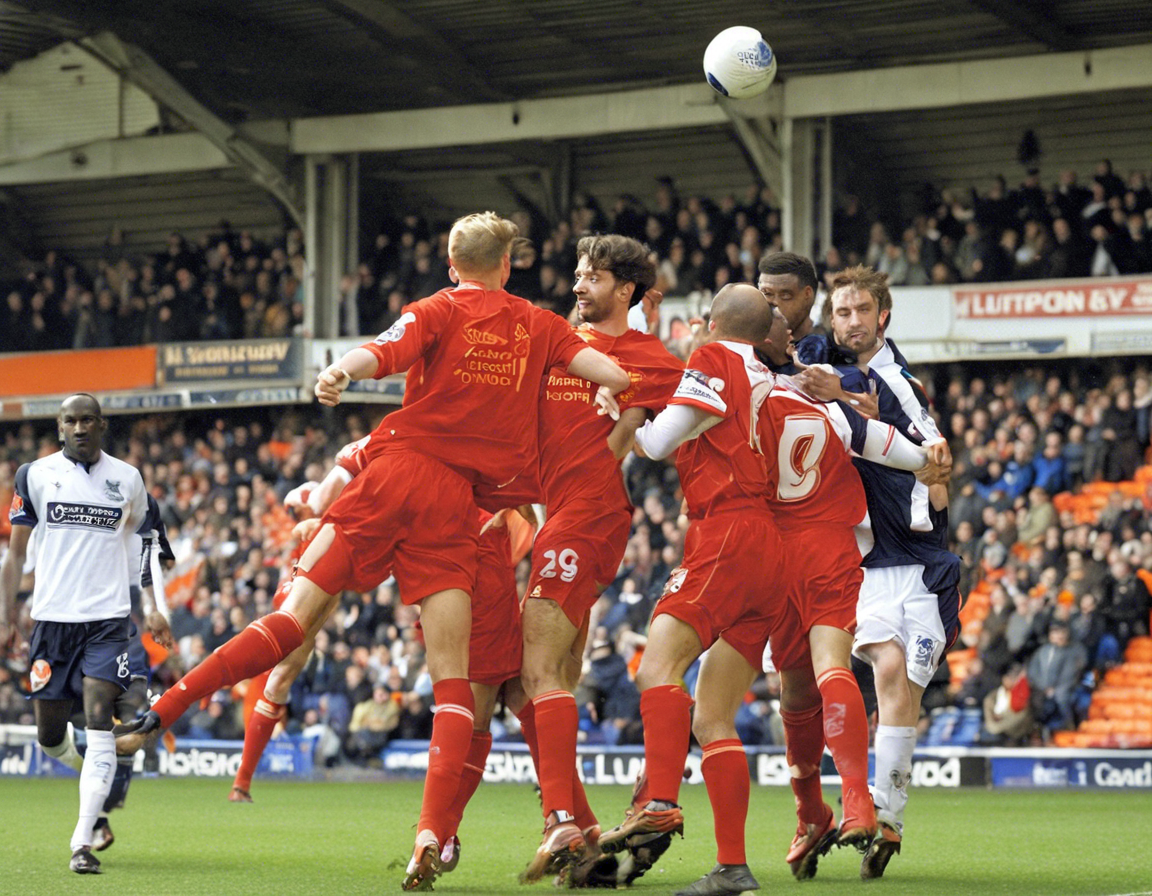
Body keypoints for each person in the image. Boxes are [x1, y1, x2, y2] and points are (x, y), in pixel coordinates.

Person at [116, 211, 631, 891]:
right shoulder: (539, 324)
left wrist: (338, 373)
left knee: (290, 625)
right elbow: (610, 373)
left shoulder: (438, 308)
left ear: (452, 266)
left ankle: (165, 709)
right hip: (460, 511)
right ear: (507, 267)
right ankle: (433, 836)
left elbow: (379, 352)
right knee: (457, 683)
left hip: (391, 478)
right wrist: (607, 388)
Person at [592, 283, 783, 896]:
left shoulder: (714, 360)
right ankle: (733, 869)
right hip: (769, 548)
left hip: (724, 534)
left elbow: (657, 440)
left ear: (710, 322)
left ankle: (661, 802)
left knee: (656, 669)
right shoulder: (767, 380)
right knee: (715, 718)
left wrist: (620, 405)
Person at [518, 234, 683, 882]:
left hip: (587, 516)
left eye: (593, 277)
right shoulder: (559, 340)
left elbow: (679, 414)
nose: (579, 285)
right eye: (579, 274)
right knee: (559, 668)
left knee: (536, 671)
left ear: (625, 290)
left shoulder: (649, 358)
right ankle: (584, 840)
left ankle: (560, 816)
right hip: (554, 516)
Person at [798, 266, 960, 880]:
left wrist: (931, 463)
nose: (852, 321)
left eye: (862, 310)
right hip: (863, 561)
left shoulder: (895, 379)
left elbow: (936, 459)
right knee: (884, 669)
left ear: (883, 317)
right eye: (842, 311)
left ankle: (886, 817)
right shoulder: (825, 360)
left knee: (901, 686)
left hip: (920, 562)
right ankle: (866, 809)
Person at [0, 393, 159, 874]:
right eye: (71, 420)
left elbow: (145, 543)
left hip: (108, 622)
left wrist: (151, 604)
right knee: (50, 736)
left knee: (97, 716)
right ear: (60, 426)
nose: (80, 427)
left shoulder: (127, 479)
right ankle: (105, 775)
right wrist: (6, 614)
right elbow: (15, 554)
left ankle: (82, 841)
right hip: (51, 622)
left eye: (88, 419)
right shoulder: (34, 475)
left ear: (102, 425)